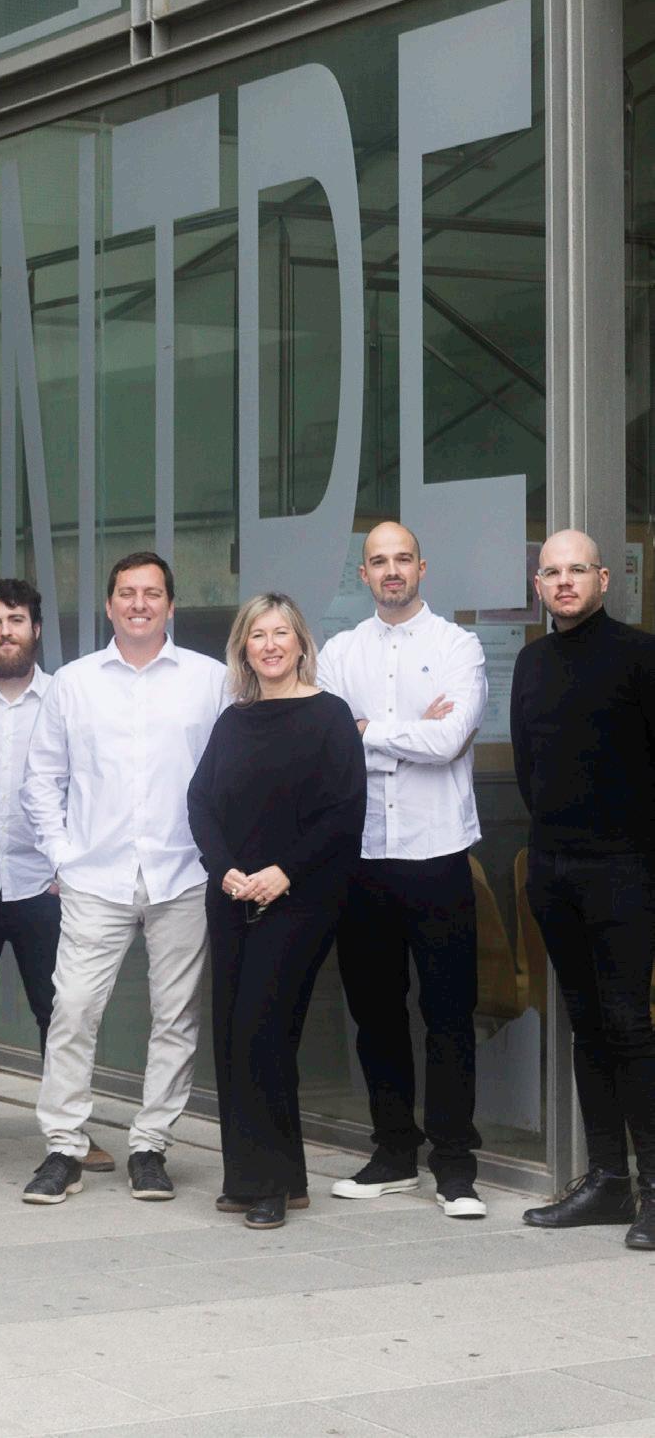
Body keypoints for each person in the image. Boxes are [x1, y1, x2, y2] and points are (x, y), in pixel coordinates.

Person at [20, 551, 226, 1204]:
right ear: (109, 606)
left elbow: (233, 773)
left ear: (170, 605)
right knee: (73, 1010)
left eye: (152, 593)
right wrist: (62, 856)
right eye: (127, 593)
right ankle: (63, 1146)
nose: (139, 604)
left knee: (175, 1016)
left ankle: (150, 1146)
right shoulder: (74, 683)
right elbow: (40, 779)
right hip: (95, 877)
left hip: (182, 873)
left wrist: (219, 855)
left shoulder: (211, 680)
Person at [317, 522, 489, 1218]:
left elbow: (448, 740)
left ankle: (454, 1167)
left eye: (402, 559)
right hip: (362, 858)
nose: (391, 571)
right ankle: (393, 1153)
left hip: (437, 853)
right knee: (375, 1015)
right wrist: (409, 733)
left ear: (422, 567)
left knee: (448, 1014)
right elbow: (330, 745)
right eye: (378, 561)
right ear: (362, 574)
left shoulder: (458, 645)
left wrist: (370, 732)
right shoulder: (338, 653)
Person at [187, 594, 366, 1230]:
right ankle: (265, 1179)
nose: (269, 644)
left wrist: (284, 871)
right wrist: (223, 868)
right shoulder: (233, 720)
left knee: (262, 1028)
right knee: (234, 1034)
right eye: (257, 634)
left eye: (280, 633)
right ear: (244, 647)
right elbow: (200, 801)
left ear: (300, 643)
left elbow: (344, 812)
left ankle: (271, 1183)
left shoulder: (330, 715)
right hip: (233, 894)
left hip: (300, 897)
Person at [0, 579, 114, 1172]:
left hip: (47, 882)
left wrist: (73, 863)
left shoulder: (67, 697)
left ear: (36, 629)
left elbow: (91, 786)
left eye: (15, 620)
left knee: (60, 1011)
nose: (5, 632)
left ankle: (72, 1132)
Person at [512, 531, 655, 1250]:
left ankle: (654, 1188)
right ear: (537, 585)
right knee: (585, 1025)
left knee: (629, 1025)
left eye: (576, 570)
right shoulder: (531, 662)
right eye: (551, 572)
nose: (563, 582)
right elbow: (528, 766)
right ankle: (607, 1181)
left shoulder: (640, 655)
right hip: (554, 870)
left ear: (603, 578)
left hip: (624, 870)